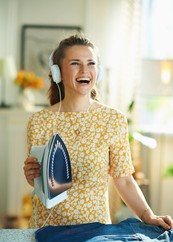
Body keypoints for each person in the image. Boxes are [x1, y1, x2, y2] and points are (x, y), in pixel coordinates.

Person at [23, 34, 173, 230]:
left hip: (95, 232)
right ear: (58, 72)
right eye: (75, 63)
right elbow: (41, 182)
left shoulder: (113, 120)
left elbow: (125, 180)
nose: (85, 70)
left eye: (91, 63)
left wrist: (149, 216)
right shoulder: (39, 121)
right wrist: (31, 176)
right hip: (46, 230)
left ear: (98, 72)